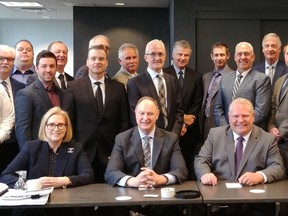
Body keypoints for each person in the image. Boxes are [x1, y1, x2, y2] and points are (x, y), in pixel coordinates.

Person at [195, 98, 285, 216]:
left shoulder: (267, 139)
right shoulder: (215, 134)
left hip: (255, 203)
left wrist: (260, 176)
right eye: (236, 116)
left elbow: (278, 167)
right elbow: (201, 159)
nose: (240, 120)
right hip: (220, 201)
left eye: (245, 116)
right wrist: (205, 174)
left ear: (253, 116)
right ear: (229, 117)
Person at [0, 107, 94, 216]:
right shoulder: (31, 147)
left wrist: (65, 180)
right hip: (33, 208)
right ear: (44, 127)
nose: (56, 128)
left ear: (67, 128)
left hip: (66, 206)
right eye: (51, 124)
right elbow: (6, 175)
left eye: (61, 124)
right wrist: (29, 183)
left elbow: (88, 175)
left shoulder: (76, 148)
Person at [105, 96, 187, 216]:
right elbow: (111, 172)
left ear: (158, 114)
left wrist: (161, 179)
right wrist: (133, 181)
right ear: (135, 114)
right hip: (130, 198)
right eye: (141, 113)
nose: (145, 118)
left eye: (150, 114)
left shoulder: (171, 138)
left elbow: (181, 171)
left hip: (160, 200)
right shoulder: (122, 139)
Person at [63, 45, 130, 183]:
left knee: (110, 195)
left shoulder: (118, 88)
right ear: (87, 62)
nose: (97, 62)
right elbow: (67, 121)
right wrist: (74, 148)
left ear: (107, 62)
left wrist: (118, 149)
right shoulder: (73, 87)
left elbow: (124, 121)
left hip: (111, 153)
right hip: (82, 152)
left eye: (101, 59)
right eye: (93, 58)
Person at [163, 40, 203, 180]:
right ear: (173, 55)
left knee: (187, 166)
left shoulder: (197, 76)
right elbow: (164, 103)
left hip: (190, 132)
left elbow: (198, 102)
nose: (182, 58)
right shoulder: (163, 73)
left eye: (186, 55)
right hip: (169, 129)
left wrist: (185, 124)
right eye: (179, 54)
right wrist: (179, 122)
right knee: (168, 166)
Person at [127, 39, 183, 135]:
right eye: (153, 54)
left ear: (165, 57)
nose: (157, 58)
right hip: (148, 138)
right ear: (145, 58)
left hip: (172, 138)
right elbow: (135, 116)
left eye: (160, 54)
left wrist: (173, 135)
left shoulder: (172, 81)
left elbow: (179, 111)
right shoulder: (135, 83)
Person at [214, 42, 271, 130]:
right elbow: (217, 108)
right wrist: (227, 128)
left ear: (253, 57)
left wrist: (238, 126)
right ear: (235, 57)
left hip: (251, 133)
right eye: (239, 54)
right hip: (226, 132)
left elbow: (261, 112)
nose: (243, 57)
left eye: (246, 54)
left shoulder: (262, 79)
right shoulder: (224, 78)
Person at [15, 50, 65, 149]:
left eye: (52, 66)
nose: (48, 70)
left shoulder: (63, 94)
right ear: (37, 69)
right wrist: (29, 157)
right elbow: (23, 131)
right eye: (44, 66)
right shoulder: (26, 94)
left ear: (56, 68)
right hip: (38, 153)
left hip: (61, 152)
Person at [199, 42, 234, 142]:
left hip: (224, 124)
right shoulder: (206, 77)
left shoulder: (234, 76)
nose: (219, 58)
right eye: (216, 55)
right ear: (211, 56)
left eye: (222, 55)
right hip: (206, 123)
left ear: (228, 56)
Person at [0, 45, 25, 173]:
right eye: (1, 58)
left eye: (9, 59)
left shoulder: (21, 87)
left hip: (15, 147)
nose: (5, 62)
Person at [268, 42, 288, 177]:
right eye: (287, 53)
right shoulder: (280, 80)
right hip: (278, 145)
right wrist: (270, 126)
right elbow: (273, 108)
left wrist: (281, 132)